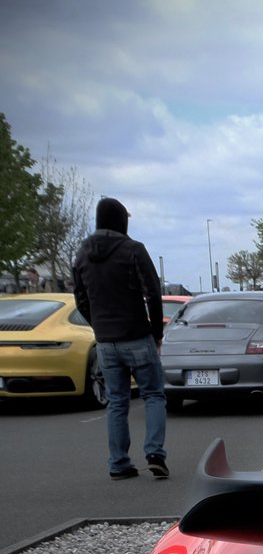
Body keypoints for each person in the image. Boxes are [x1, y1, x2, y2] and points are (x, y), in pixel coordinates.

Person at [72, 197, 167, 480]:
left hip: (106, 340)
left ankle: (119, 463)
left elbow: (80, 298)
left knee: (117, 401)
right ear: (121, 220)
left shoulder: (82, 254)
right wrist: (156, 333)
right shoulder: (133, 250)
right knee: (152, 394)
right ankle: (154, 453)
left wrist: (98, 326)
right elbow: (152, 292)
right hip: (136, 334)